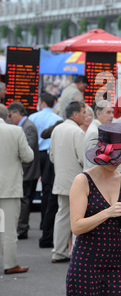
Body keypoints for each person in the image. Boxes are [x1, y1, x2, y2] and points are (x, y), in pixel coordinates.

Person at [66, 123, 121, 296]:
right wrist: (107, 213)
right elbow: (76, 226)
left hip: (116, 262)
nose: (117, 162)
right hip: (87, 263)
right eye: (114, 158)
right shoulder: (83, 180)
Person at [50, 101, 86, 263]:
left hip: (60, 180)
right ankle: (76, 252)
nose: (85, 115)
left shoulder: (57, 129)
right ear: (75, 114)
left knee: (62, 215)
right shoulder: (77, 132)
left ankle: (58, 251)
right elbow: (83, 159)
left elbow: (51, 156)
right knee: (78, 217)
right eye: (83, 112)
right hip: (76, 182)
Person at [0, 104, 34, 274]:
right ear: (7, 116)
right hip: (9, 187)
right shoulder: (15, 131)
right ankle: (10, 264)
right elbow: (28, 156)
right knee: (8, 229)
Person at [29, 92, 63, 240]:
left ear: (42, 103)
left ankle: (23, 223)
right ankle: (45, 223)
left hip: (35, 154)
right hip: (50, 156)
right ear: (53, 103)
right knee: (47, 190)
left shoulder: (32, 118)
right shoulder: (58, 119)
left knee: (30, 187)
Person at [7, 101, 40, 239]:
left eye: (10, 115)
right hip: (26, 170)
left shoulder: (28, 127)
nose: (9, 118)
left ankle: (22, 229)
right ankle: (21, 227)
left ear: (17, 113)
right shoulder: (24, 126)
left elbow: (28, 149)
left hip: (27, 171)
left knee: (24, 199)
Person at [83, 100, 114, 170]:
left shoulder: (99, 129)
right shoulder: (94, 132)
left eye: (112, 112)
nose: (112, 116)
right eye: (108, 112)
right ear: (98, 114)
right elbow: (92, 162)